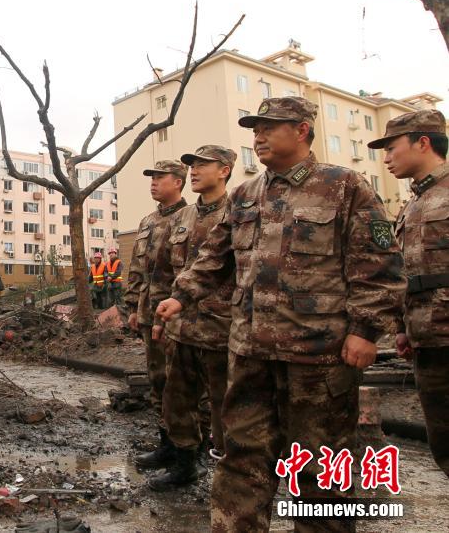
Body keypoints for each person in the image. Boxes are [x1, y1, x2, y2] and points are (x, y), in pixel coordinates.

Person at [156, 97, 405, 532]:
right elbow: (214, 258)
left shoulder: (346, 186)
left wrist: (366, 331)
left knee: (320, 471)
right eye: (255, 128)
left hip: (319, 357)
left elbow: (380, 265)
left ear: (303, 130)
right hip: (250, 352)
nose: (259, 136)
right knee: (242, 459)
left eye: (269, 127)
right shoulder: (245, 195)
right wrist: (181, 295)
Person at [148, 145, 236, 491]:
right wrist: (158, 316)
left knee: (225, 405)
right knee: (177, 399)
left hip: (222, 329)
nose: (195, 171)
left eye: (203, 165)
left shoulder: (238, 211)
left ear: (225, 170)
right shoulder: (181, 219)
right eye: (192, 165)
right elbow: (164, 271)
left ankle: (232, 470)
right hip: (181, 327)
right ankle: (185, 463)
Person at [368, 108, 449, 477]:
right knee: (444, 448)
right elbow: (410, 273)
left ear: (423, 142)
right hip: (428, 344)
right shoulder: (411, 205)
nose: (385, 158)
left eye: (390, 148)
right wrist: (402, 327)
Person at [123, 159, 188, 468]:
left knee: (182, 385)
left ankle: (190, 452)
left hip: (179, 316)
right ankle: (167, 445)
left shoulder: (191, 217)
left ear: (178, 181)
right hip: (150, 314)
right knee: (158, 381)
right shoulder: (148, 220)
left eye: (159, 177)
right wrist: (134, 308)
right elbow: (137, 269)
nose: (153, 182)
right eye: (151, 177)